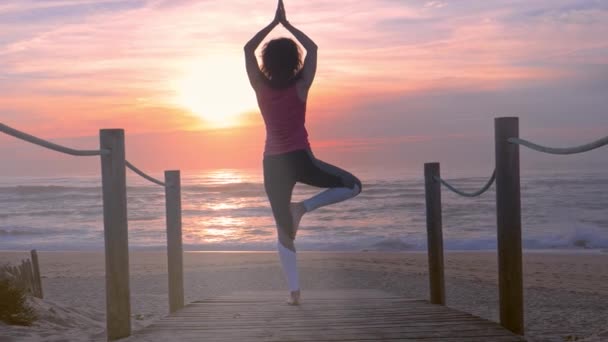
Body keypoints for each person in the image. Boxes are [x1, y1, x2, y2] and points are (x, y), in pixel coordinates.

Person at [244, 0, 362, 305]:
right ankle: (304, 208)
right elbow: (314, 48)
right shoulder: (301, 86)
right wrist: (288, 24)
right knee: (354, 185)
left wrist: (272, 24)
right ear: (294, 61)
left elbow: (247, 50)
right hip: (299, 158)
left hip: (273, 163)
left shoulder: (260, 87)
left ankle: (294, 293)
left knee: (283, 230)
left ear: (267, 62)